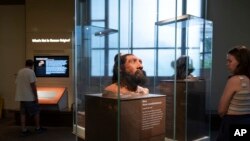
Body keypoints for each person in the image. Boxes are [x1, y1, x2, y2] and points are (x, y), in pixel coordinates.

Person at [216, 46, 250, 141]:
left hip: (233, 121)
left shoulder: (235, 80)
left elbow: (221, 110)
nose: (227, 64)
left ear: (241, 62)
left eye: (230, 61)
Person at [15, 59, 46, 137]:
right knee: (36, 112)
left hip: (21, 97)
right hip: (29, 97)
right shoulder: (31, 72)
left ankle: (23, 130)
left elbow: (16, 83)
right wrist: (36, 96)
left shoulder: (20, 71)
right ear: (32, 65)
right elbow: (33, 85)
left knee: (23, 113)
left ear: (25, 64)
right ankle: (38, 128)